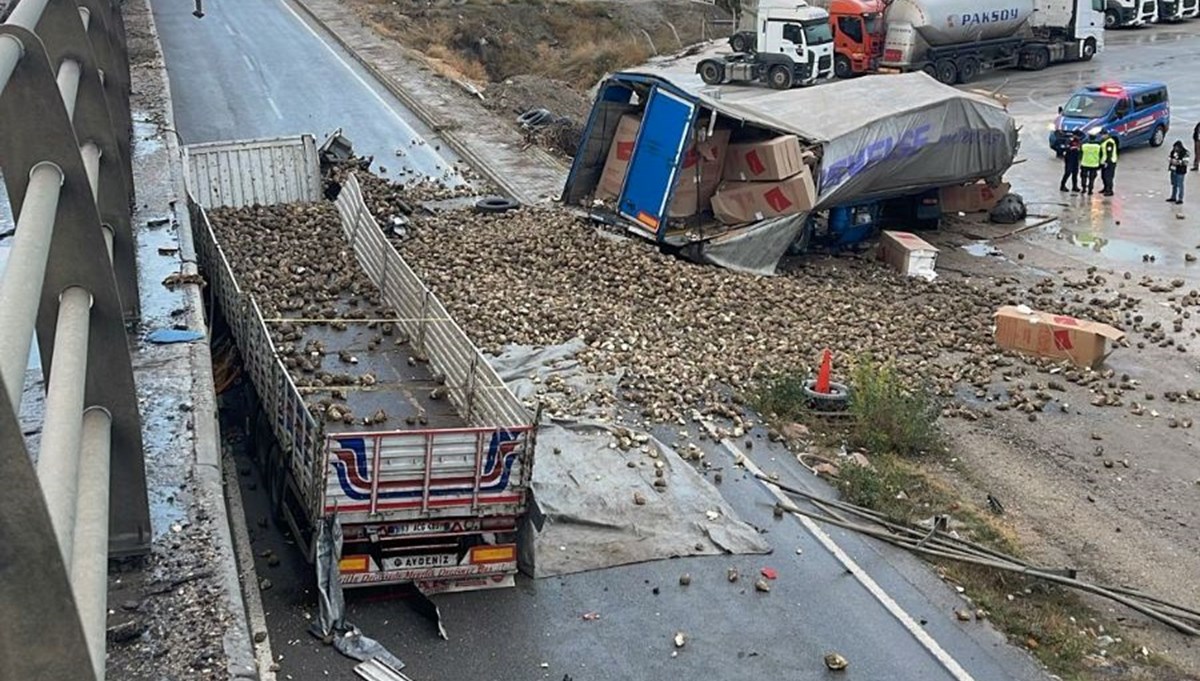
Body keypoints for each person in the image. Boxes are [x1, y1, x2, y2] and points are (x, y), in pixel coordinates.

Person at [1100, 132, 1118, 197]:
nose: (1102, 136)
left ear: (1107, 135)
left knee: (1108, 177)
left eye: (1103, 135)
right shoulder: (1104, 141)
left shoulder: (1110, 142)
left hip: (1110, 162)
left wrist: (1107, 162)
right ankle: (1105, 188)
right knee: (1103, 176)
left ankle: (1109, 190)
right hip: (1104, 161)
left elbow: (1109, 153)